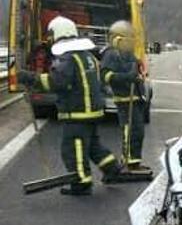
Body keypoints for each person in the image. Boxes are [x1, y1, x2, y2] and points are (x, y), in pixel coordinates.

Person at [18, 16, 124, 196]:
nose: (50, 39)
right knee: (92, 146)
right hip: (92, 111)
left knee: (72, 148)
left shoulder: (68, 57)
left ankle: (81, 183)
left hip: (77, 113)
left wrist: (28, 78)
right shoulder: (88, 55)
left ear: (59, 34)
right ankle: (112, 169)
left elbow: (57, 82)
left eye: (52, 34)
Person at [101, 20, 150, 172]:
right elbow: (106, 76)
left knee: (138, 131)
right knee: (130, 131)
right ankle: (129, 162)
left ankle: (134, 161)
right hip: (124, 99)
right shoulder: (110, 54)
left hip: (136, 98)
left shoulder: (128, 54)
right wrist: (127, 77)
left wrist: (140, 69)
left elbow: (136, 68)